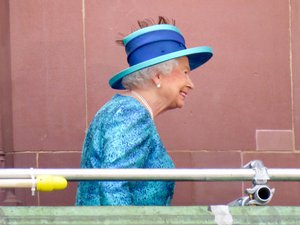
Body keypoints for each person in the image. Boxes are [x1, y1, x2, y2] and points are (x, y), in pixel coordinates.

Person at [75, 16, 213, 206]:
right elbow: (113, 185)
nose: (191, 84)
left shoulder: (123, 109)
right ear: (158, 76)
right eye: (185, 72)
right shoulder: (131, 114)